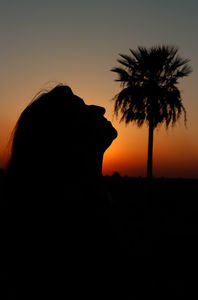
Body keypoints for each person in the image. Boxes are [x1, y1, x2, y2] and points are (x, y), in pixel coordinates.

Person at [7, 84, 121, 298]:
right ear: (61, 136)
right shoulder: (71, 221)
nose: (99, 109)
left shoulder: (91, 201)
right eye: (81, 108)